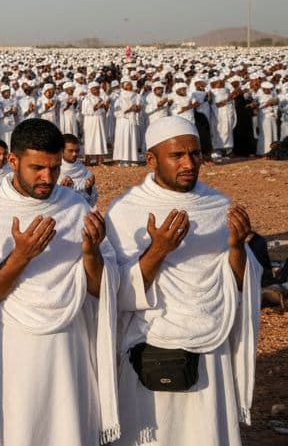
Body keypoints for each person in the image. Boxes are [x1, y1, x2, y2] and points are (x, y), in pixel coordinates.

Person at [0, 118, 120, 446]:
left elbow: (104, 288)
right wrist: (21, 256)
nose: (48, 178)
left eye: (55, 168)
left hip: (69, 347)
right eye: (37, 168)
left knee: (67, 428)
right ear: (13, 161)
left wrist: (91, 254)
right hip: (9, 350)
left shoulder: (76, 207)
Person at [104, 116, 260, 446]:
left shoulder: (219, 207)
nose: (189, 163)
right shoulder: (125, 212)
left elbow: (237, 284)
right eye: (177, 156)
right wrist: (158, 251)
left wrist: (236, 249)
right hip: (150, 350)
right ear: (151, 159)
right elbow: (114, 294)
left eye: (195, 154)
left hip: (210, 352)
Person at [59, 133, 97, 206]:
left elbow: (92, 201)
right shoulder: (54, 170)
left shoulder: (84, 171)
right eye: (70, 151)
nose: (74, 154)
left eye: (77, 151)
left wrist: (89, 189)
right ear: (62, 150)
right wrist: (61, 190)